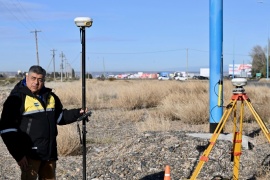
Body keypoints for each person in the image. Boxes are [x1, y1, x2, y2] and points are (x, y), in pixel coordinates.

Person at [0, 65, 88, 180]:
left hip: (49, 153)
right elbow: (7, 130)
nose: (36, 82)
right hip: (30, 155)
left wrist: (78, 113)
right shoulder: (16, 99)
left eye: (40, 79)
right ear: (27, 77)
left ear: (44, 80)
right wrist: (19, 155)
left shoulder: (51, 97)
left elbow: (59, 117)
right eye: (33, 78)